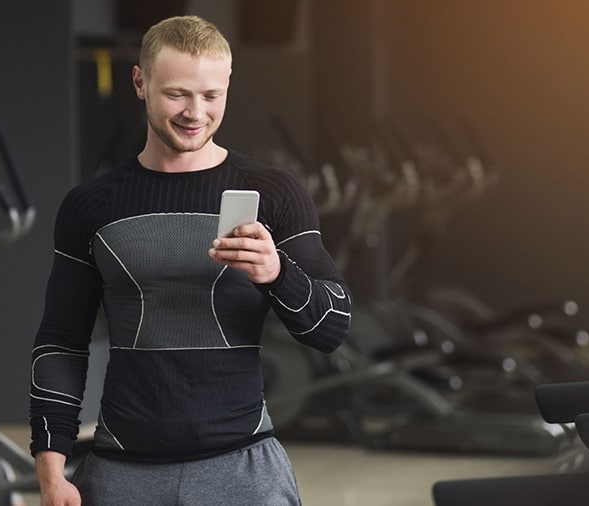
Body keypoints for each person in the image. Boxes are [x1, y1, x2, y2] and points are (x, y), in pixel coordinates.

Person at [29, 14, 352, 506]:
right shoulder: (91, 205)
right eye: (176, 94)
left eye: (210, 96)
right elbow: (61, 343)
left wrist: (277, 273)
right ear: (140, 82)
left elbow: (332, 329)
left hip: (243, 470)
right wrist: (51, 470)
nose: (194, 112)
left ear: (227, 86)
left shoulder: (273, 192)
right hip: (123, 472)